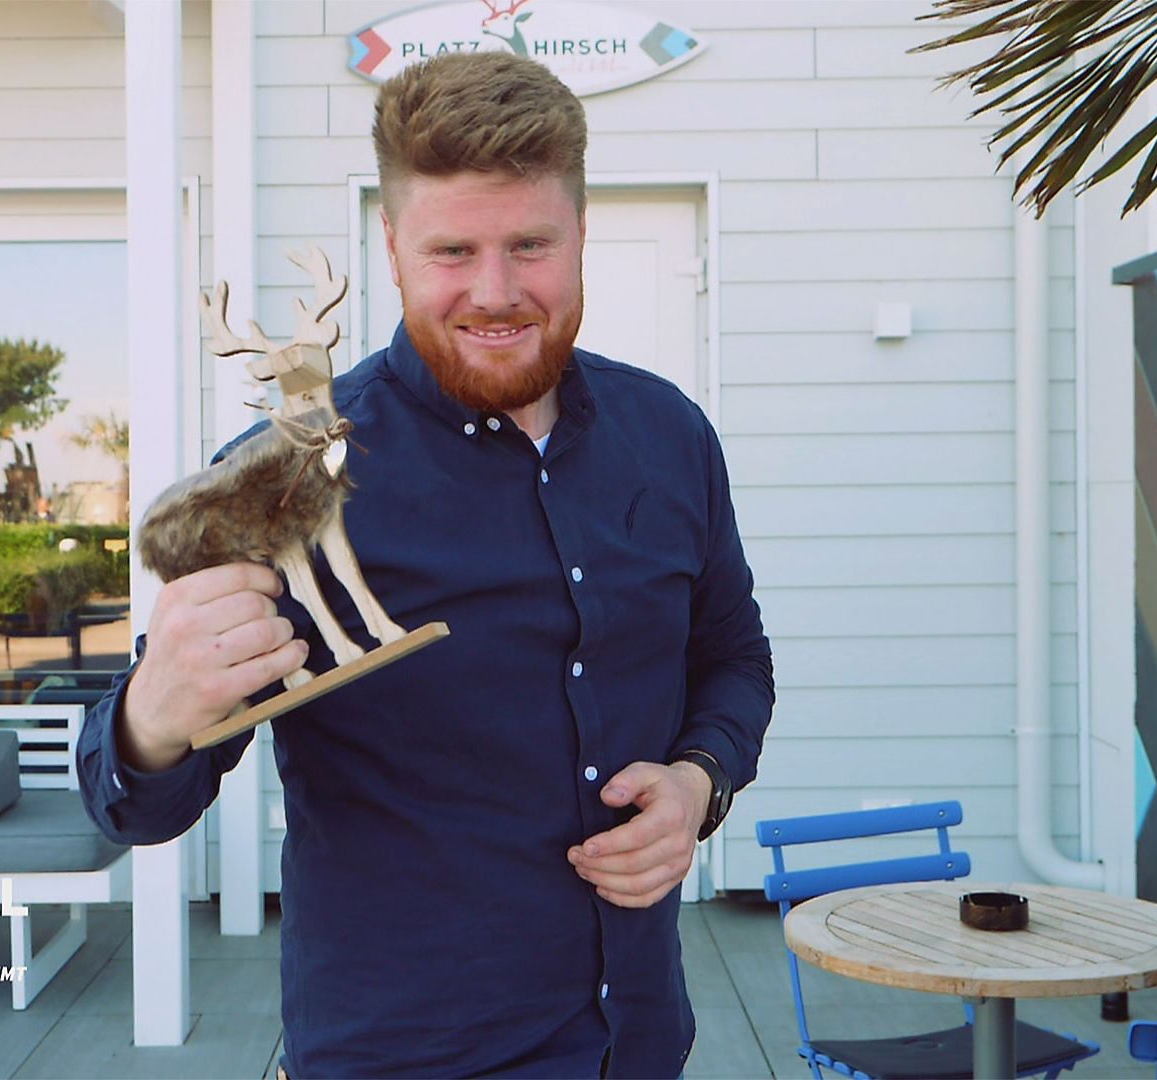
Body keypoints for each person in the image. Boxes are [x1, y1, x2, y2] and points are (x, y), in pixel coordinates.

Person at [78, 52, 773, 1078]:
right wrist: (152, 713)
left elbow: (733, 659)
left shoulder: (669, 435)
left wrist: (695, 781)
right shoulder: (282, 476)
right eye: (453, 251)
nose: (495, 292)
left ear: (581, 237)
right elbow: (133, 802)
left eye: (531, 244)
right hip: (399, 1053)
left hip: (639, 1043)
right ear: (395, 251)